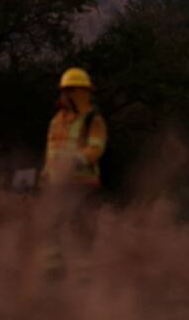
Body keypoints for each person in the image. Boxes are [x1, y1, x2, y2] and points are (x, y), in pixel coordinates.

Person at [38, 67, 107, 280]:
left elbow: (96, 147)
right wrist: (46, 173)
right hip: (58, 184)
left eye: (69, 91)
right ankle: (53, 271)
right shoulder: (57, 120)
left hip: (84, 184)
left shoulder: (93, 120)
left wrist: (76, 159)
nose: (64, 96)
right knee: (51, 226)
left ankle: (83, 275)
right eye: (63, 91)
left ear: (81, 93)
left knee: (82, 229)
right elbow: (51, 150)